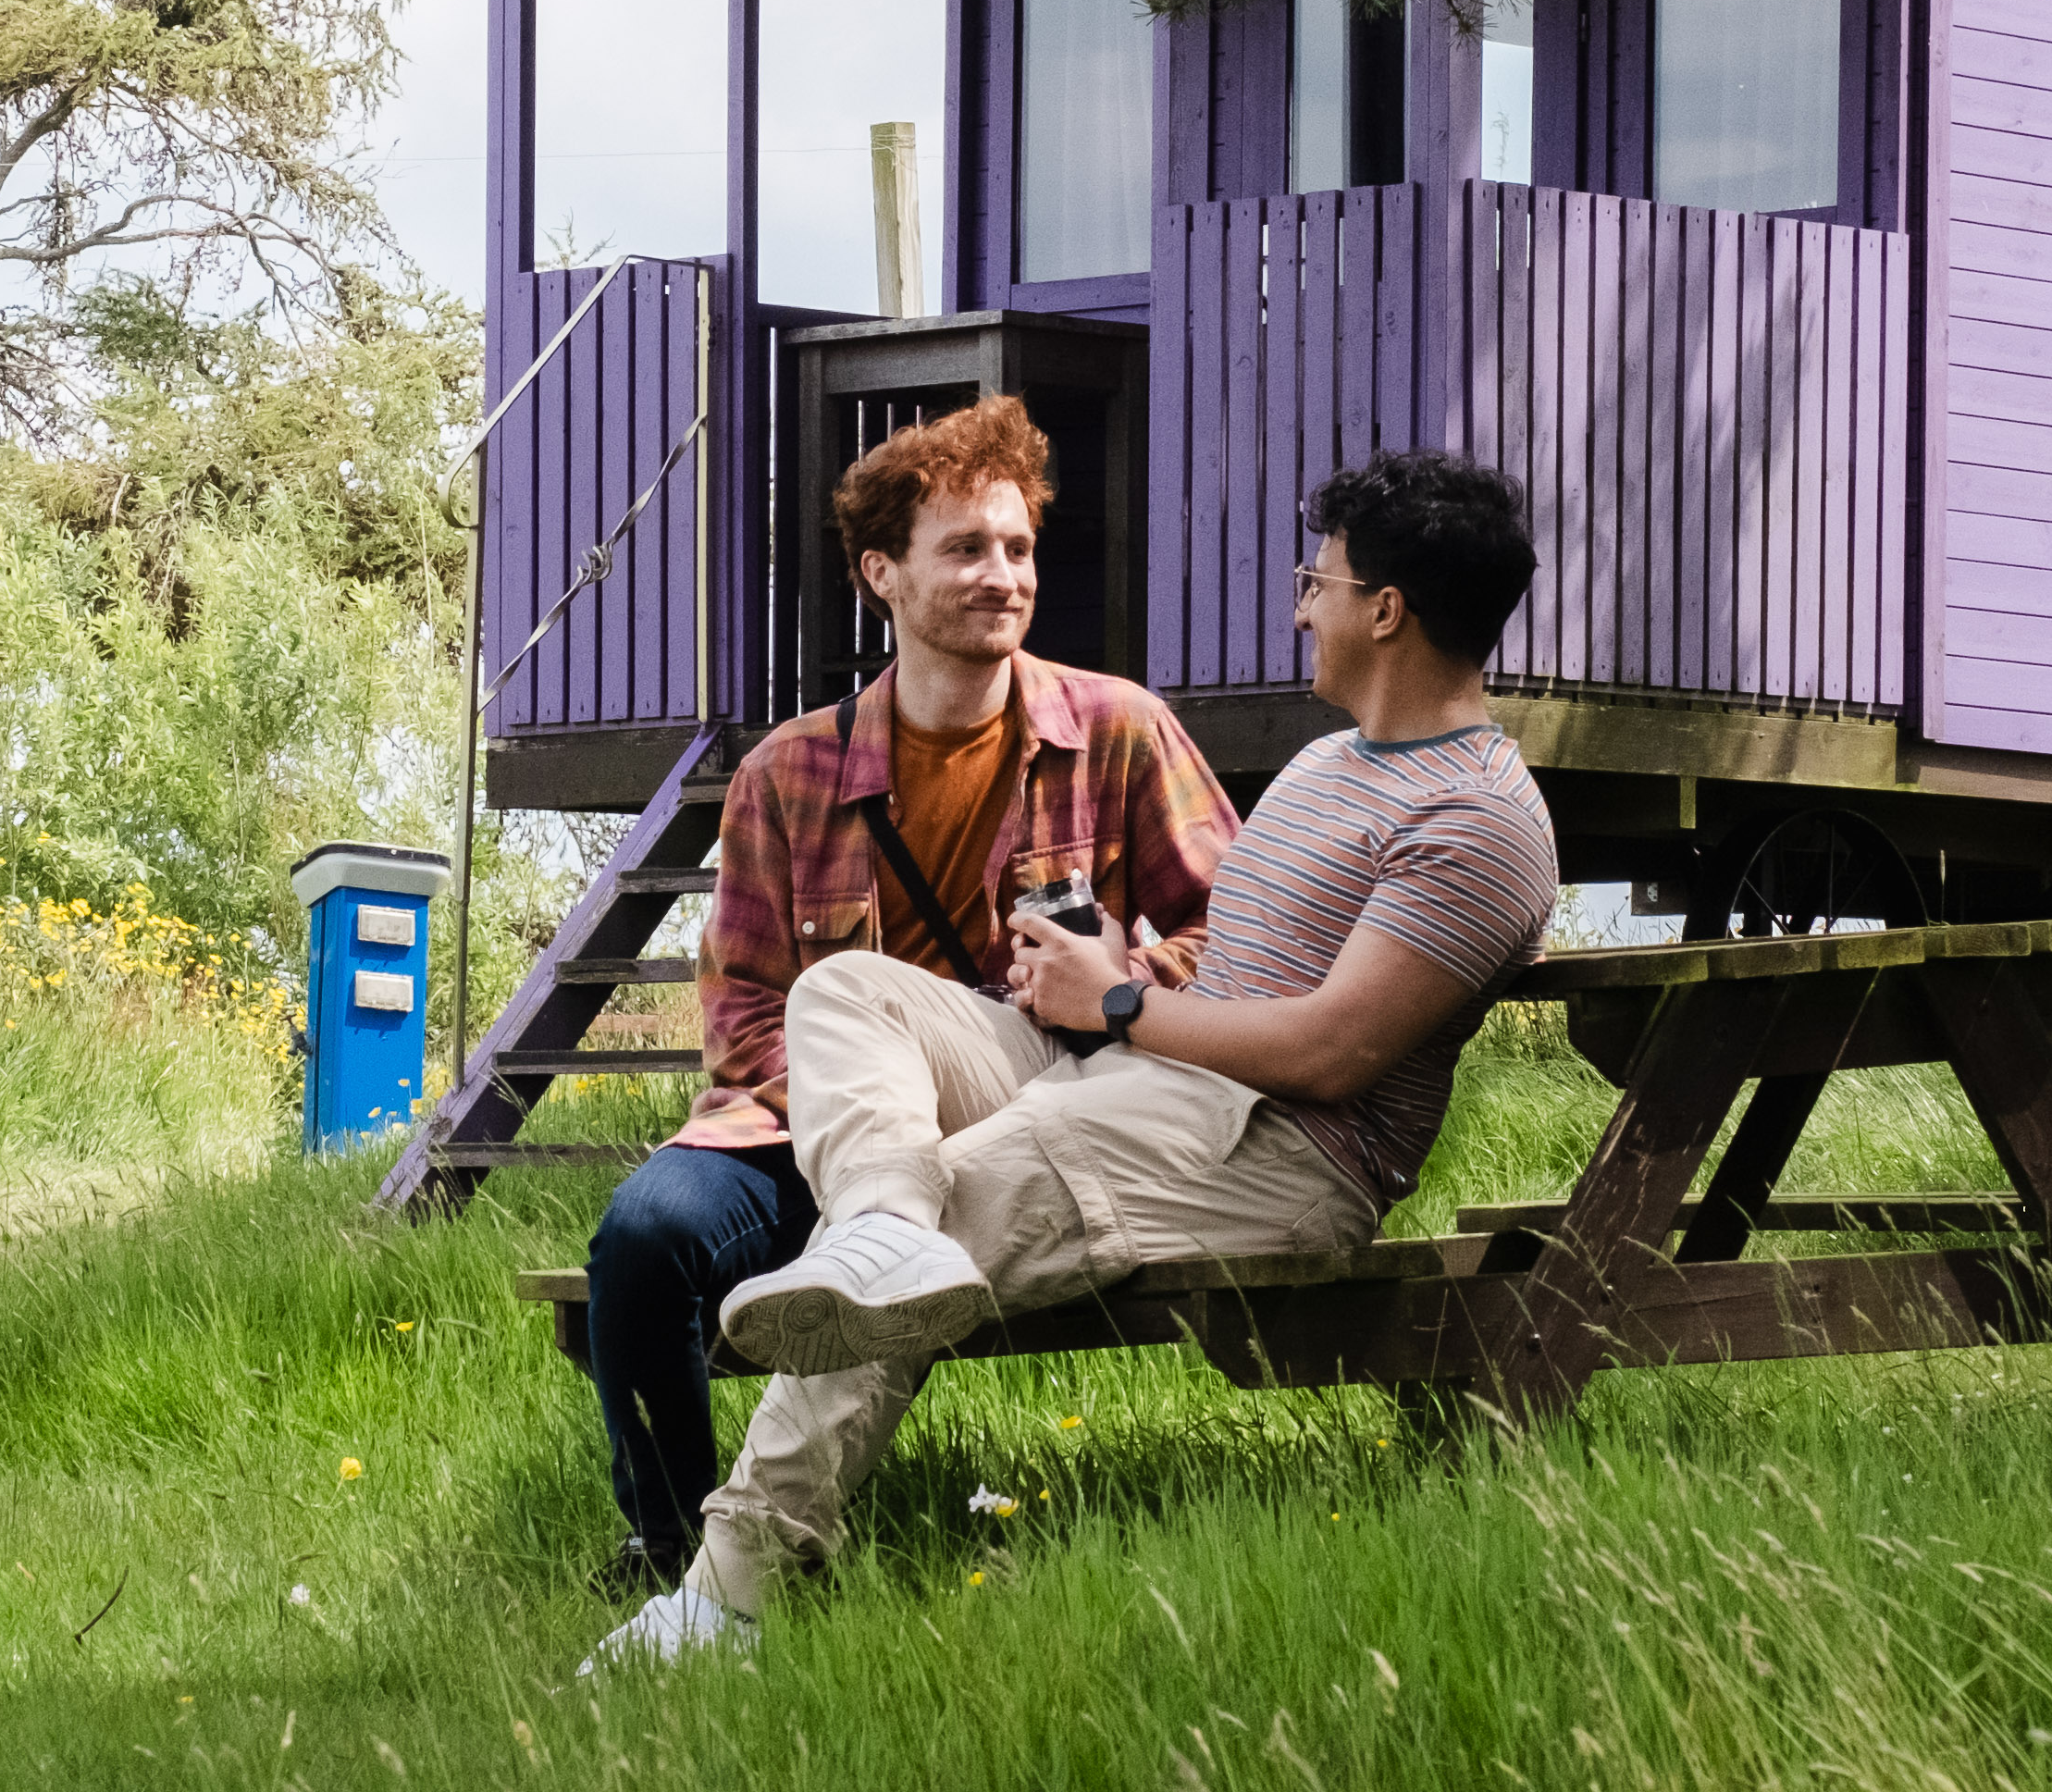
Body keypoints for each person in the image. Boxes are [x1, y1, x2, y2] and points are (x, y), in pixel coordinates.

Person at [591, 447, 1564, 1672]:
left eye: (1318, 581)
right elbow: (1233, 963)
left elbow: (1329, 1051)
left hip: (1280, 1152)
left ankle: (726, 1596)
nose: (1302, 604)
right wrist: (1124, 972)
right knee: (850, 996)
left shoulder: (1476, 821)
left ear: (1386, 611)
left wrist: (1114, 1004)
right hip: (1153, 1081)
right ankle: (877, 1221)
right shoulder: (1330, 764)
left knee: (977, 1184)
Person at [566, 397, 1231, 1599]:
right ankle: (668, 1552)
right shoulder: (786, 774)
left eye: (1019, 547)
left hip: (1052, 1110)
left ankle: (767, 1544)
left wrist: (1126, 984)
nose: (1003, 576)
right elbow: (745, 1016)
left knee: (901, 1190)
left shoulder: (1122, 735)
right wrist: (878, 1134)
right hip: (813, 1134)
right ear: (882, 570)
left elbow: (1233, 935)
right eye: (967, 549)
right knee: (645, 1238)